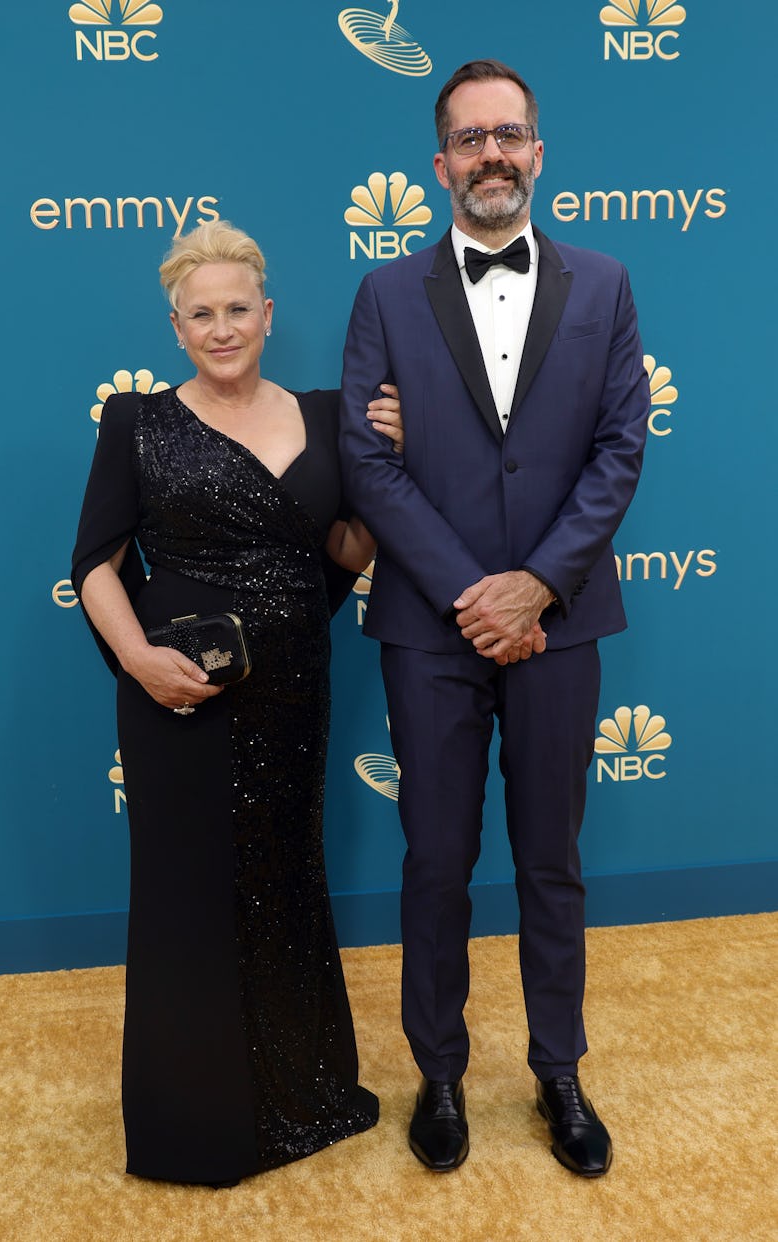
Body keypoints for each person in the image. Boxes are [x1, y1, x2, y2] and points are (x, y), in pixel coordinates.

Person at [339, 59, 650, 1178]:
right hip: (432, 627)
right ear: (439, 166)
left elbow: (622, 450)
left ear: (538, 152)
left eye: (508, 134)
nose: (491, 156)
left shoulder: (607, 285)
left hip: (560, 623)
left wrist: (539, 586)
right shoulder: (382, 296)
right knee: (436, 857)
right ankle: (440, 1072)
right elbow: (368, 465)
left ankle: (558, 1069)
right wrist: (478, 594)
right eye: (469, 140)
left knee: (552, 860)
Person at [71, 220, 404, 1186]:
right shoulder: (135, 422)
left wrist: (389, 472)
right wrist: (136, 659)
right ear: (176, 327)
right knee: (187, 901)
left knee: (282, 882)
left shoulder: (332, 412)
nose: (222, 328)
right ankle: (193, 1125)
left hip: (295, 689)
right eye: (200, 314)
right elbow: (95, 562)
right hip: (177, 695)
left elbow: (342, 554)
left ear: (269, 315)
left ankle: (299, 1092)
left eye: (237, 309)